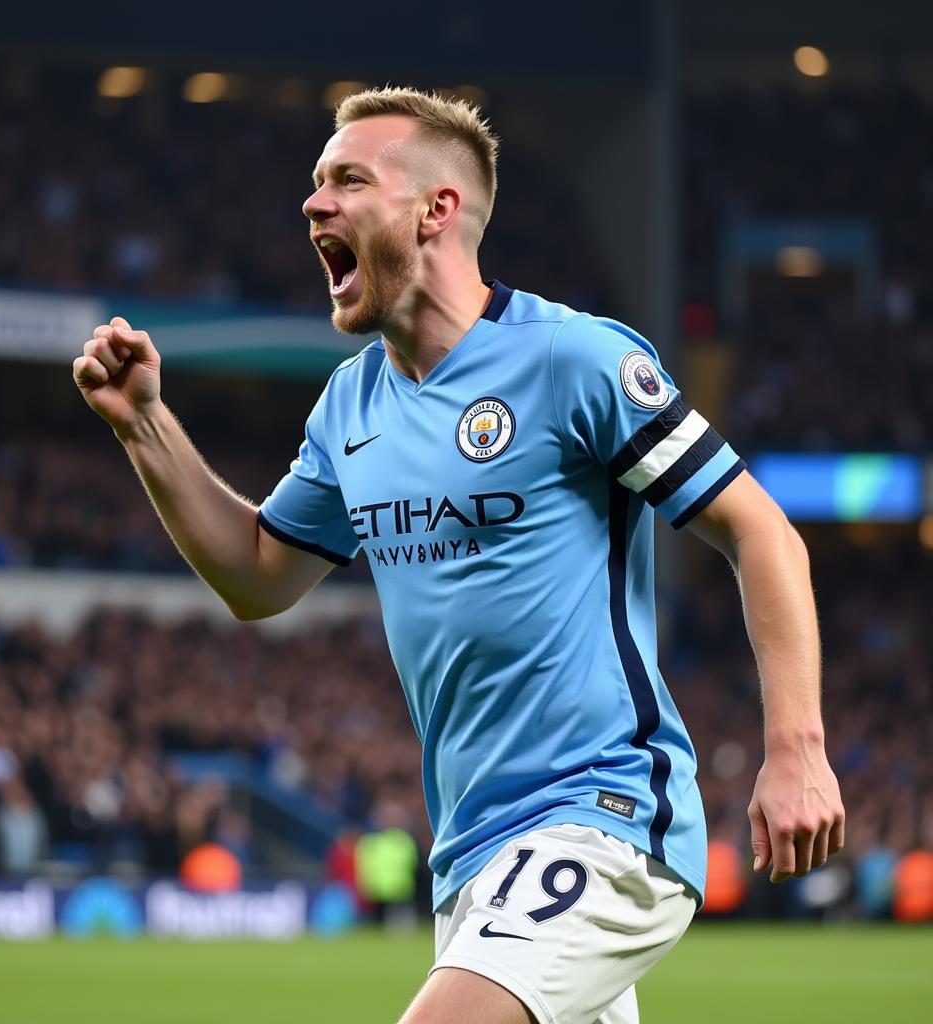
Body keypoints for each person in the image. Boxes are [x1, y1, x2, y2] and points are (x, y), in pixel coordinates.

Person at [73, 86, 846, 1024]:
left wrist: (796, 748)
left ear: (436, 210)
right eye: (316, 182)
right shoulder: (349, 407)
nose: (313, 204)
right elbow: (256, 573)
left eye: (348, 179)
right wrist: (147, 428)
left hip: (600, 817)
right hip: (470, 856)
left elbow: (761, 530)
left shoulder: (573, 360)